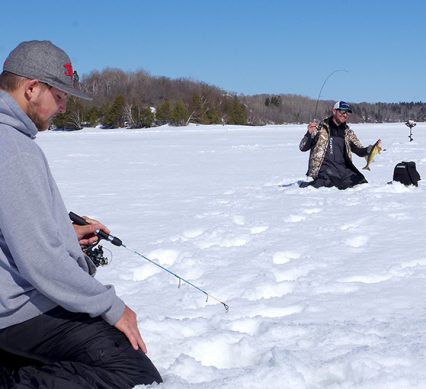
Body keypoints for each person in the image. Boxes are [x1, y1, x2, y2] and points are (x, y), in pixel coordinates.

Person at [0, 40, 162, 388]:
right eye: (60, 96)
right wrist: (111, 306)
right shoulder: (12, 149)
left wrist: (65, 231)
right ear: (31, 89)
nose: (62, 107)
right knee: (134, 375)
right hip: (18, 313)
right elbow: (40, 261)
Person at [299, 101, 376, 190]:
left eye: (347, 113)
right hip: (325, 170)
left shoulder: (348, 132)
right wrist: (309, 134)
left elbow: (359, 150)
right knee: (328, 183)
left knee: (361, 182)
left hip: (343, 170)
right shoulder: (320, 128)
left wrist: (369, 150)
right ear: (334, 111)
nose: (345, 115)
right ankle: (306, 186)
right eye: (342, 112)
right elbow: (303, 147)